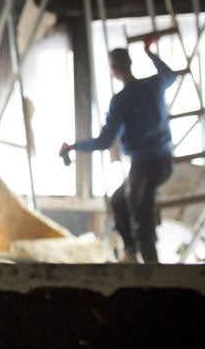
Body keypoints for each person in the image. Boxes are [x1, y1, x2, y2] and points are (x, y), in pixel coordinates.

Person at [59, 37, 178, 263]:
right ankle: (131, 250)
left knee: (142, 222)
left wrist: (74, 146)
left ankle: (152, 271)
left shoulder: (121, 101)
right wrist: (149, 52)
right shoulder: (153, 85)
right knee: (119, 200)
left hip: (144, 166)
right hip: (164, 162)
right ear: (130, 62)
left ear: (113, 69)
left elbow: (104, 141)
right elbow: (171, 74)